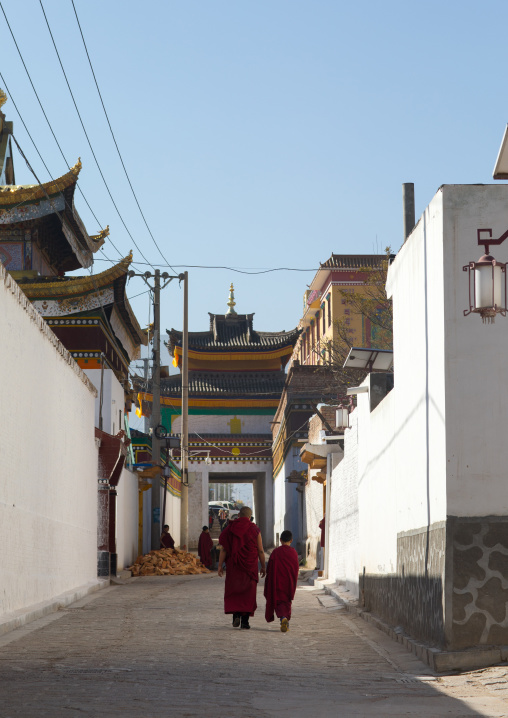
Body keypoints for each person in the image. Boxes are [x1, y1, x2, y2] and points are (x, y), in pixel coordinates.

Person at [218, 506, 266, 630]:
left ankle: (236, 616)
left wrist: (219, 566)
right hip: (249, 568)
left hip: (234, 567)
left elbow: (224, 548)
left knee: (234, 591)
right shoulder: (254, 529)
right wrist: (264, 566)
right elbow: (260, 550)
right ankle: (245, 622)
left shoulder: (230, 528)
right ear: (250, 517)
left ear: (238, 515)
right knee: (248, 594)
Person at [264, 530, 300, 633]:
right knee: (286, 602)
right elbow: (296, 569)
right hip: (288, 583)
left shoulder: (275, 552)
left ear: (280, 540)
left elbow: (270, 569)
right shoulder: (293, 553)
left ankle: (282, 618)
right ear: (291, 540)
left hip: (277, 583)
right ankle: (284, 619)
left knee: (278, 602)